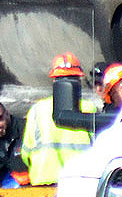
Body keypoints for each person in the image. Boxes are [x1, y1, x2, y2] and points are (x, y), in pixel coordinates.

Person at [21, 52, 95, 185]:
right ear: (78, 80)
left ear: (54, 80)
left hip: (43, 184)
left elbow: (26, 154)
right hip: (80, 183)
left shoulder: (37, 110)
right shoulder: (89, 108)